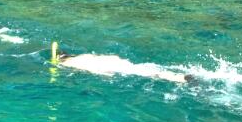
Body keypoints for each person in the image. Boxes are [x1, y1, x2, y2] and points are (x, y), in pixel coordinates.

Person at [54, 43, 194, 85]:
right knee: (148, 70)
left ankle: (180, 79)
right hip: (120, 63)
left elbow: (102, 72)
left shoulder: (76, 63)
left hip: (115, 67)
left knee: (151, 73)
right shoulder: (83, 58)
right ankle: (180, 77)